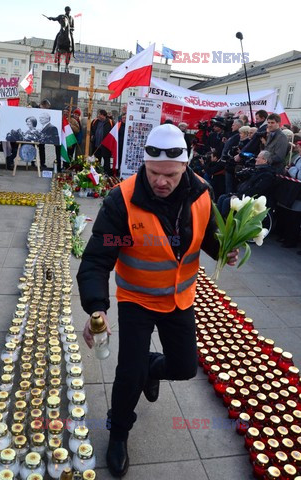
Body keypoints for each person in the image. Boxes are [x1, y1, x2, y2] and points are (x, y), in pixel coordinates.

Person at [77, 124, 239, 478]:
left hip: (180, 297)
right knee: (126, 375)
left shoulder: (201, 192)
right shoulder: (122, 198)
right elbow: (96, 259)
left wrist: (227, 249)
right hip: (137, 297)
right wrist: (96, 306)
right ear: (145, 165)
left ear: (185, 166)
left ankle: (151, 367)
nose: (160, 181)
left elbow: (209, 237)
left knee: (183, 367)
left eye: (169, 174)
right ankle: (118, 434)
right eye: (153, 173)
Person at [217, 150, 277, 217]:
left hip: (251, 199)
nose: (256, 159)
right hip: (243, 194)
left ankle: (226, 224)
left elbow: (255, 191)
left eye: (258, 157)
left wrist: (239, 196)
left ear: (265, 160)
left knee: (227, 202)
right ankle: (217, 224)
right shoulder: (256, 170)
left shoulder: (267, 175)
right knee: (222, 197)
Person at [91, 109, 113, 175]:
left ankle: (107, 172)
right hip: (96, 144)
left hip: (106, 145)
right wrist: (92, 135)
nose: (98, 115)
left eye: (100, 114)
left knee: (106, 159)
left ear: (103, 115)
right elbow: (92, 129)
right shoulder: (95, 121)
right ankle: (97, 171)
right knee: (97, 159)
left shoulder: (110, 122)